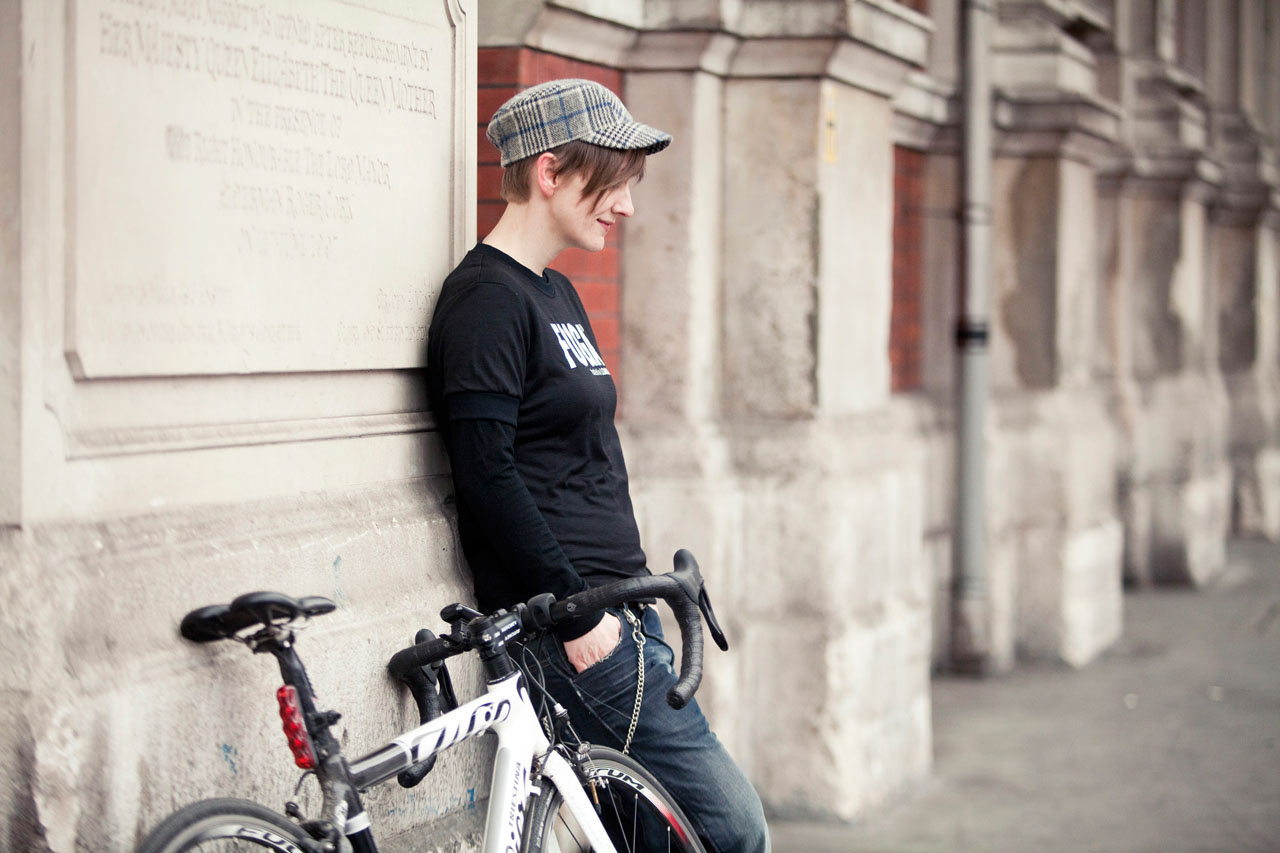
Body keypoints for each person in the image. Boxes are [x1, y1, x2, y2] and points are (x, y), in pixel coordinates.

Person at [426, 78, 770, 852]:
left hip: (620, 613)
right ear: (550, 172)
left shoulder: (556, 293)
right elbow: (485, 473)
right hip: (572, 628)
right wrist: (579, 617)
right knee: (733, 829)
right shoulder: (485, 300)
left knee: (648, 841)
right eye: (614, 181)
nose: (628, 205)